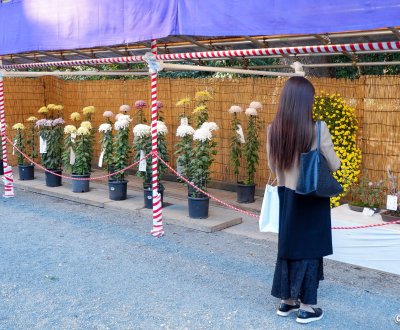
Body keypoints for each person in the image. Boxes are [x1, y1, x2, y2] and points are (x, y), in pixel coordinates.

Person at [267, 76, 341, 324]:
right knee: (309, 249)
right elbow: (335, 164)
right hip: (311, 196)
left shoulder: (273, 130)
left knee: (288, 244)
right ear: (306, 102)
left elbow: (272, 166)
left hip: (287, 194)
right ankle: (308, 307)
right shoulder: (317, 128)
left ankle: (287, 302)